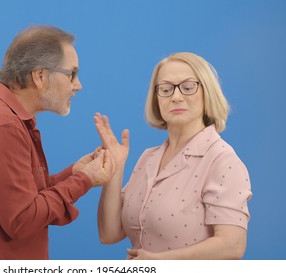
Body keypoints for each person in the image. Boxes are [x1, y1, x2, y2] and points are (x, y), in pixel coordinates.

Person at [0, 25, 115, 260]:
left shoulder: (4, 118)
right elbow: (23, 219)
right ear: (40, 76)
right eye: (71, 74)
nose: (78, 84)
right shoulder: (1, 126)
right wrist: (84, 180)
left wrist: (74, 173)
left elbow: (23, 198)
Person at [95, 52, 252, 259]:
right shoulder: (148, 158)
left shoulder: (222, 160)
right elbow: (109, 233)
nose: (176, 97)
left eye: (188, 87)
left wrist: (160, 262)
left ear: (208, 93)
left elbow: (232, 246)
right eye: (166, 89)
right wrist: (115, 168)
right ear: (156, 99)